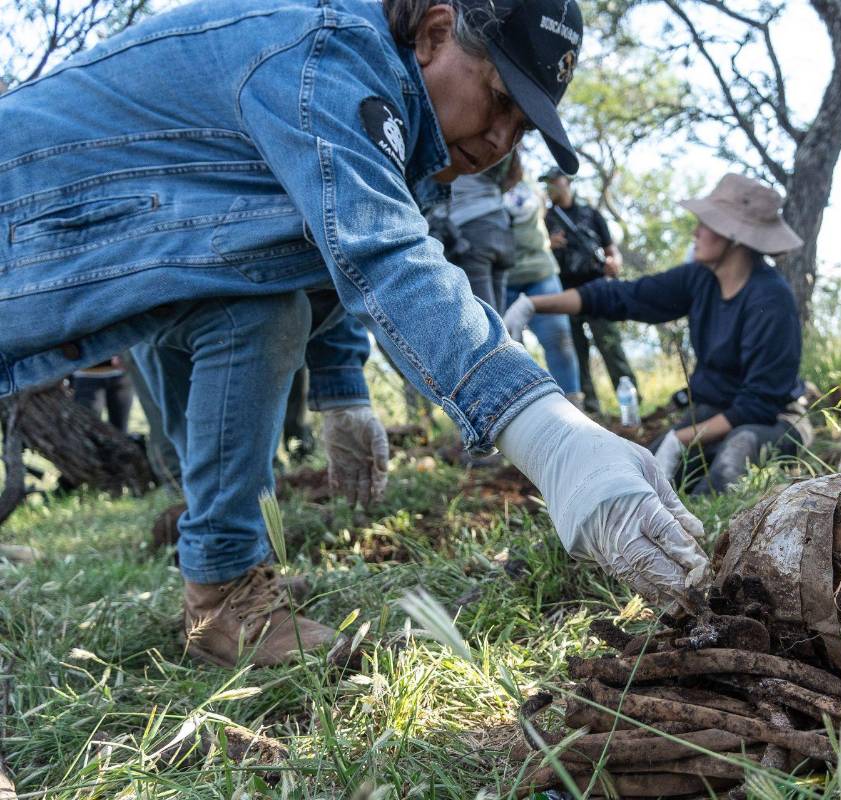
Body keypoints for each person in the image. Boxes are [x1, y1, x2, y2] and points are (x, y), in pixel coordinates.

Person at [0, 0, 708, 668]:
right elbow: (383, 254)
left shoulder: (362, 90)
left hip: (112, 244)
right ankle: (223, 573)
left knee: (258, 311)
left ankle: (223, 587)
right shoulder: (330, 59)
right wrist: (553, 438)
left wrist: (342, 392)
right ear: (434, 32)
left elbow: (304, 240)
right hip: (23, 214)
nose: (501, 141)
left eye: (523, 129)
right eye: (499, 100)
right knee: (257, 314)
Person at [506, 173, 810, 495]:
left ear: (733, 235)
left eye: (706, 223)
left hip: (772, 420)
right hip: (713, 412)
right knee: (641, 476)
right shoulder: (699, 279)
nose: (695, 232)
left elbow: (759, 404)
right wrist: (532, 304)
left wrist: (678, 440)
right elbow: (621, 296)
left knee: (727, 467)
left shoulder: (770, 298)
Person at [540, 166, 637, 413]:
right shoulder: (545, 219)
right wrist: (548, 244)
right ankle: (591, 408)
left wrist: (615, 261)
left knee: (610, 344)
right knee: (575, 351)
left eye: (554, 181)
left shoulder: (590, 213)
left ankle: (631, 401)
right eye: (547, 183)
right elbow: (536, 253)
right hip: (564, 293)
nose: (551, 186)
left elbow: (611, 247)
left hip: (596, 289)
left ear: (566, 182)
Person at [502, 153, 583, 404]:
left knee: (561, 342)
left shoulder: (533, 190)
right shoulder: (475, 189)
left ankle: (575, 408)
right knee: (508, 352)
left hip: (541, 274)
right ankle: (522, 416)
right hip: (502, 279)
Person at [446, 153, 517, 312]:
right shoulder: (493, 149)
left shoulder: (453, 147)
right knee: (498, 318)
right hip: (501, 226)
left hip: (470, 229)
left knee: (484, 319)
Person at [71, 356, 134, 434]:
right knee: (89, 428)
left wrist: (124, 357)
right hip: (86, 377)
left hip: (120, 377)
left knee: (121, 431)